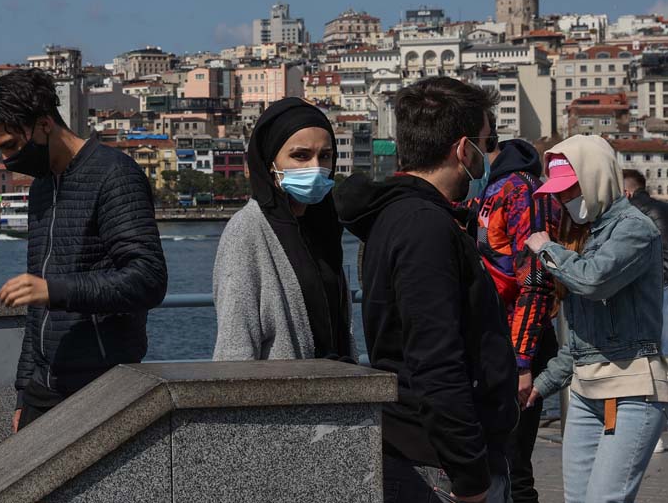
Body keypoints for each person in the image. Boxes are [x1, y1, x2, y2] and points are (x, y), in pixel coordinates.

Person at [335, 77, 517, 503]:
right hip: (438, 463)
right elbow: (435, 358)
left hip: (428, 451)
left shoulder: (399, 217)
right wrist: (470, 476)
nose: (489, 156)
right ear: (462, 149)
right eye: (487, 144)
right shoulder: (425, 227)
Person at [0, 68, 168, 432]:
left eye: (11, 145)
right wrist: (23, 391)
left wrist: (55, 290)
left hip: (100, 385)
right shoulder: (41, 188)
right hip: (43, 390)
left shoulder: (114, 175)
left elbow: (148, 279)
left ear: (44, 124)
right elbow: (36, 308)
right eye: (1, 150)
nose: (9, 159)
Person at [524, 138, 667, 503]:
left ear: (594, 178)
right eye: (557, 193)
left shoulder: (635, 229)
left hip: (634, 387)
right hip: (586, 388)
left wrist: (546, 248)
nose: (562, 200)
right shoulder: (582, 235)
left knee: (605, 499)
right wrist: (542, 384)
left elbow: (592, 279)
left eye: (569, 189)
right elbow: (580, 341)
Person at [212, 97, 352, 361]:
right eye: (300, 156)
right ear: (269, 162)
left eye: (325, 156)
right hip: (285, 396)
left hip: (336, 391)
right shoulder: (247, 232)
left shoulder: (325, 227)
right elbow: (235, 345)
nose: (315, 168)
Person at [471, 137, 560, 503]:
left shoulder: (520, 191)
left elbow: (535, 279)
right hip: (498, 338)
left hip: (520, 340)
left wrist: (522, 361)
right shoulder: (497, 189)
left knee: (514, 463)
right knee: (500, 461)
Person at [623, 168, 668, 453]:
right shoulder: (662, 207)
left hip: (657, 289)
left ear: (627, 192)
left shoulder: (633, 214)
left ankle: (657, 433)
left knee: (655, 363)